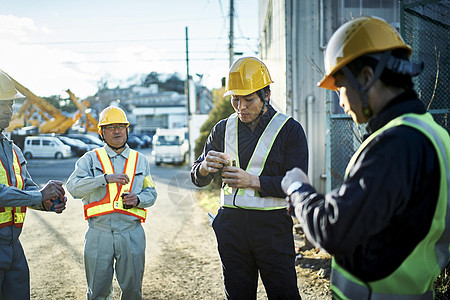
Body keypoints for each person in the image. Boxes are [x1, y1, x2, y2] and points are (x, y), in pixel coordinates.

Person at [281, 16, 450, 299]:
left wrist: (298, 189)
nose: (341, 101)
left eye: (341, 86)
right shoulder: (432, 134)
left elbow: (332, 228)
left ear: (367, 77)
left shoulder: (397, 144)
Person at [191, 56, 308, 299]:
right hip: (231, 229)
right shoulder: (222, 128)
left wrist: (253, 181)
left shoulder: (290, 130)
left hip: (272, 230)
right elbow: (198, 178)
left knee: (284, 295)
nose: (241, 107)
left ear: (266, 95)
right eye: (235, 99)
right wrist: (204, 168)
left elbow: (297, 185)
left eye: (249, 99)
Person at [66, 106, 157, 300]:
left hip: (131, 233)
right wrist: (103, 179)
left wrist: (139, 199)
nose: (117, 131)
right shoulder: (90, 159)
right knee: (98, 292)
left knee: (133, 292)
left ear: (127, 129)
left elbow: (151, 192)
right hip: (99, 233)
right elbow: (73, 188)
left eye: (121, 126)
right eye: (110, 127)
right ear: (101, 132)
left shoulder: (140, 160)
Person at [0, 70, 67, 299]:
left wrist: (47, 202)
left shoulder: (13, 149)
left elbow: (27, 188)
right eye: (3, 104)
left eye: (10, 104)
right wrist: (39, 196)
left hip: (13, 245)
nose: (10, 110)